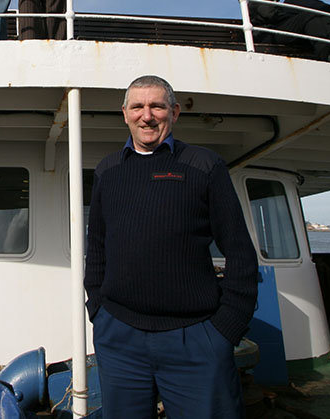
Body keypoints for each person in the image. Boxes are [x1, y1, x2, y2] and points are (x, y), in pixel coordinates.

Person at [84, 75, 258, 418]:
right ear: (125, 114)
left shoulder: (204, 166)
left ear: (174, 112)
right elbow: (98, 246)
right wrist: (98, 310)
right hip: (119, 336)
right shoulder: (108, 170)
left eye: (157, 106)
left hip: (195, 339)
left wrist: (226, 328)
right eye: (138, 107)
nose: (146, 116)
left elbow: (239, 250)